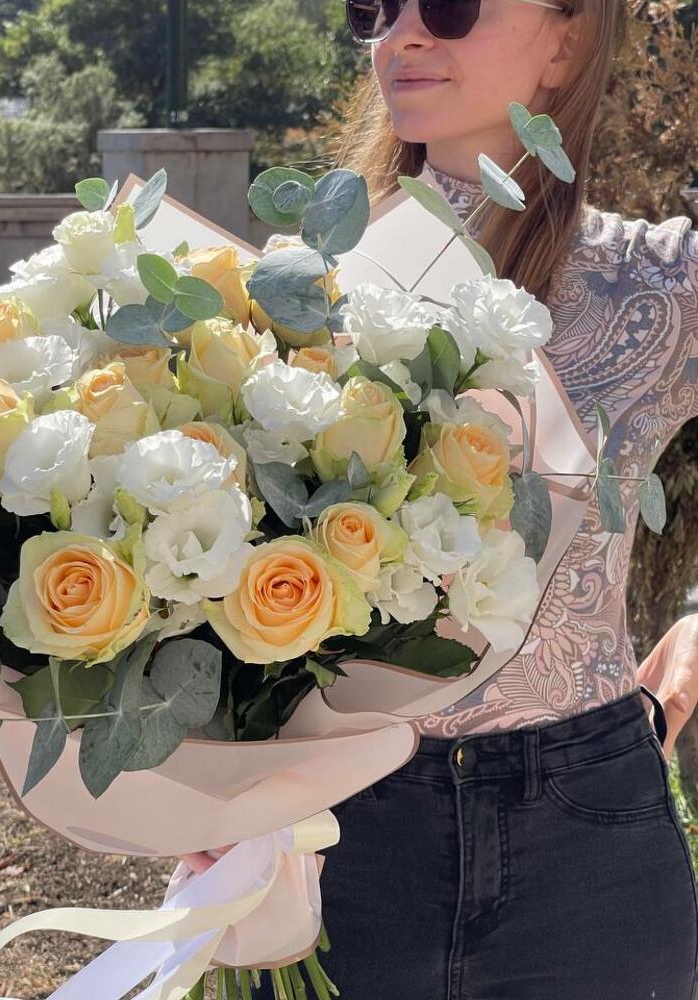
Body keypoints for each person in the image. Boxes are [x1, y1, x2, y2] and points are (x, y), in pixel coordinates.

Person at [183, 0, 698, 995]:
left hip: (589, 841)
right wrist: (201, 778)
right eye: (374, 7)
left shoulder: (657, 288)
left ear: (567, 40)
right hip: (336, 825)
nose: (403, 34)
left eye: (452, 5)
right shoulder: (291, 286)